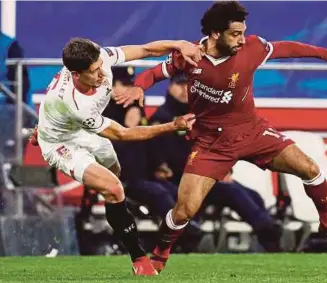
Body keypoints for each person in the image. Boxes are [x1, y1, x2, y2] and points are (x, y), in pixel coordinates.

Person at [116, 1, 327, 273]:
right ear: (214, 34)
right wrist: (139, 87)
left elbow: (285, 48)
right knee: (184, 210)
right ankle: (160, 255)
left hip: (253, 132)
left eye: (243, 32)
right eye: (235, 33)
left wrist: (324, 53)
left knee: (311, 169)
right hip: (211, 145)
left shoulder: (252, 48)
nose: (241, 39)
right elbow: (154, 73)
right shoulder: (189, 55)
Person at [30, 37, 202, 276]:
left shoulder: (101, 59)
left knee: (117, 178)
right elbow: (123, 134)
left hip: (80, 130)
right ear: (76, 74)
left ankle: (122, 211)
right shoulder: (74, 104)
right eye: (93, 71)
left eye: (101, 65)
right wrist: (172, 126)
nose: (102, 73)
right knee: (114, 188)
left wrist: (178, 44)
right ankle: (139, 258)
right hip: (61, 143)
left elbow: (144, 49)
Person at [146, 73, 285, 252]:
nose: (183, 90)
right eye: (179, 85)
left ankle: (269, 238)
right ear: (170, 87)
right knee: (232, 191)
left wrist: (224, 170)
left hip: (203, 175)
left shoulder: (201, 116)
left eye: (187, 85)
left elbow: (218, 145)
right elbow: (169, 158)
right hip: (182, 180)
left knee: (252, 195)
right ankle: (269, 232)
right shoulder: (163, 119)